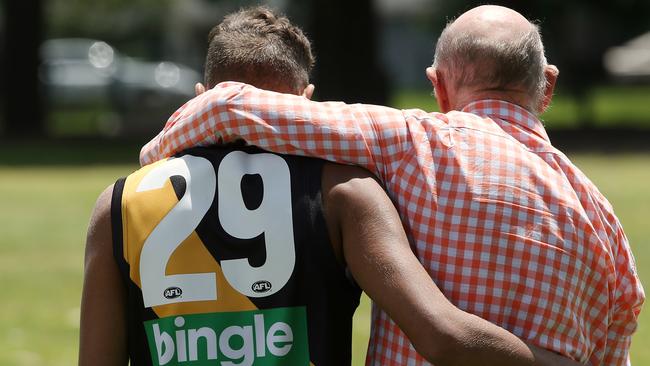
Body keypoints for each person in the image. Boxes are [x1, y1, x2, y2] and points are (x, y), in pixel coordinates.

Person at [139, 5, 645, 365]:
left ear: (438, 85)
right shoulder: (604, 221)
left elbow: (232, 104)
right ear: (547, 85)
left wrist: (154, 159)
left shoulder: (411, 140)